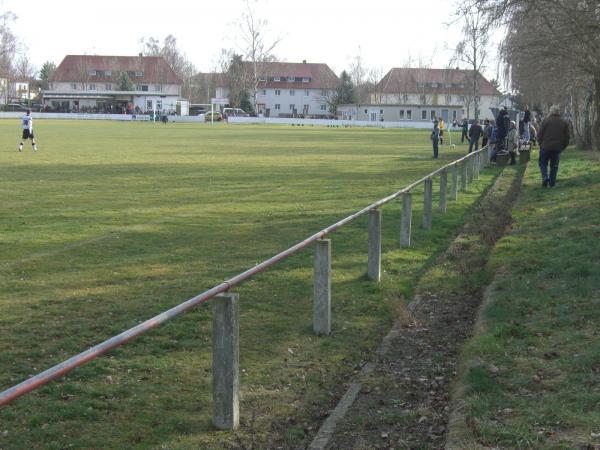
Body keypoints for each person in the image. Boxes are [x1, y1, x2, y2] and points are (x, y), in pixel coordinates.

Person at [537, 104, 570, 188]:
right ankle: (552, 184)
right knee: (554, 166)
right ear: (559, 112)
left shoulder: (545, 121)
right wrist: (563, 146)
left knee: (543, 163)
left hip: (545, 146)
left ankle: (545, 177)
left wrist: (540, 143)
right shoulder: (564, 122)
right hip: (557, 148)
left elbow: (540, 134)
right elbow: (567, 137)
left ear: (550, 111)